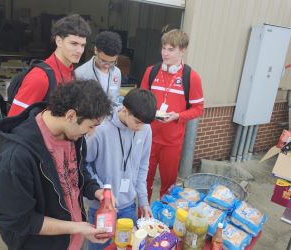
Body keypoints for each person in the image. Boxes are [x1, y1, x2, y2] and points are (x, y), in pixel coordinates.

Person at [0, 80, 113, 250]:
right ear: (71, 115)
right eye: (91, 126)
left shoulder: (74, 136)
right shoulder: (17, 158)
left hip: (72, 241)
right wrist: (77, 227)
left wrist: (95, 190)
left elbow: (75, 172)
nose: (91, 133)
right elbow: (16, 220)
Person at [85, 88, 157, 249]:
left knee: (127, 246)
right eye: (137, 122)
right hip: (102, 207)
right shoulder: (100, 129)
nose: (140, 128)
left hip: (129, 206)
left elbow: (143, 166)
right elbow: (84, 164)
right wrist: (102, 191)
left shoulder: (145, 129)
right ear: (125, 110)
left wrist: (144, 202)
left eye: (144, 124)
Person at [140, 29, 204, 201]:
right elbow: (141, 99)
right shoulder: (151, 71)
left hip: (172, 142)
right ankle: (141, 220)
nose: (165, 53)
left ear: (182, 50)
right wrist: (147, 111)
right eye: (163, 48)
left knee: (168, 187)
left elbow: (198, 108)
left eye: (171, 49)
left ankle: (163, 218)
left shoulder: (191, 77)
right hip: (148, 138)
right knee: (143, 182)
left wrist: (178, 116)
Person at [8, 14, 90, 117]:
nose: (79, 50)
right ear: (59, 41)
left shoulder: (71, 74)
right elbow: (13, 121)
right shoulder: (40, 77)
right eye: (74, 43)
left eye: (82, 45)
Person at [75, 31, 122, 103]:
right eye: (103, 61)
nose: (107, 66)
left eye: (112, 62)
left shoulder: (117, 72)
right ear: (96, 50)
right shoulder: (80, 74)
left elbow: (116, 99)